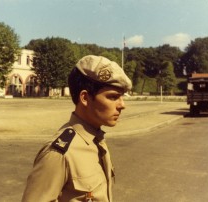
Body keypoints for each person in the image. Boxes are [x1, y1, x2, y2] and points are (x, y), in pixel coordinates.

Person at [22, 55, 132, 202]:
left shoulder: (96, 140)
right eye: (113, 97)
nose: (122, 105)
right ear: (85, 98)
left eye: (122, 97)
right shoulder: (60, 153)